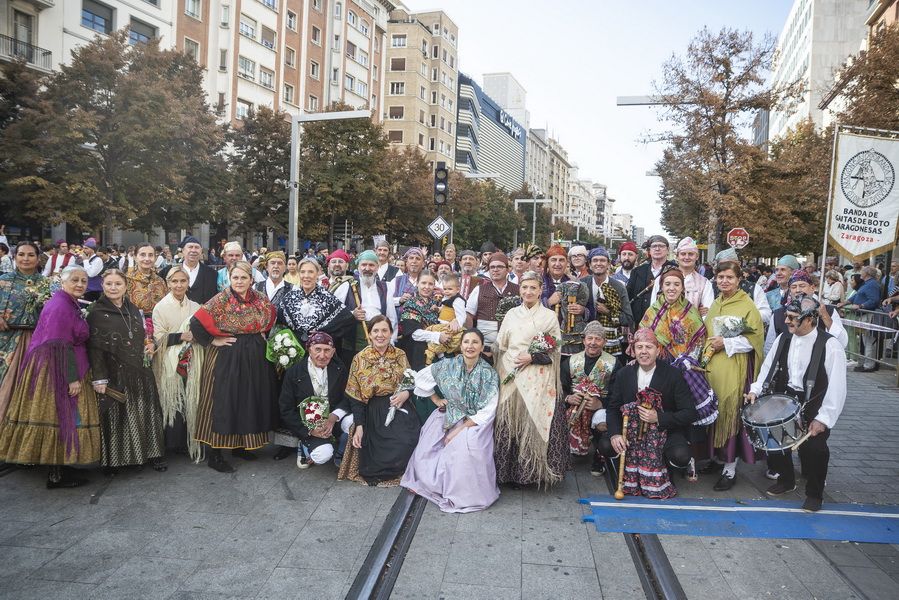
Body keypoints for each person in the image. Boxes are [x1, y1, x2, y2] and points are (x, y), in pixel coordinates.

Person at [0, 266, 101, 487]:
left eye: (84, 281)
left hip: (59, 363)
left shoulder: (66, 303)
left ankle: (60, 468)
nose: (80, 285)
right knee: (59, 414)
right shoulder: (60, 306)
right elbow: (60, 344)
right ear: (63, 282)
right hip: (58, 367)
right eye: (74, 280)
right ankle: (56, 474)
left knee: (59, 415)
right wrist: (71, 378)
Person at [746, 294, 846, 512]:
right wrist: (755, 390)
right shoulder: (784, 338)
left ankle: (814, 493)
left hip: (815, 402)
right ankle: (787, 480)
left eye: (792, 317)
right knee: (773, 438)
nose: (787, 321)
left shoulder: (830, 345)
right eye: (786, 316)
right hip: (785, 396)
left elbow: (838, 387)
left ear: (809, 319)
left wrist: (824, 418)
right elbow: (768, 367)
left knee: (815, 449)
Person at [190, 261, 278, 472]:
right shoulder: (220, 300)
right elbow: (196, 322)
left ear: (251, 279)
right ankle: (215, 454)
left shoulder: (261, 300)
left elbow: (271, 318)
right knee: (223, 400)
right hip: (228, 355)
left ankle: (242, 446)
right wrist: (213, 341)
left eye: (243, 278)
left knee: (248, 399)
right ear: (230, 278)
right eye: (235, 277)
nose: (239, 282)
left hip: (254, 356)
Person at [402, 329, 501, 512]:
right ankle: (434, 485)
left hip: (474, 421)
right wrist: (436, 400)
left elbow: (488, 410)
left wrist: (458, 430)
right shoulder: (448, 365)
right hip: (449, 413)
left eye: (475, 342)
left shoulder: (489, 374)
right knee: (428, 448)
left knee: (465, 448)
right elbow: (421, 379)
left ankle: (464, 495)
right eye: (466, 342)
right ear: (460, 345)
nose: (470, 346)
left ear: (481, 347)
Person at [599, 328, 699, 498]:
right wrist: (615, 434)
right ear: (633, 350)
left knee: (680, 455)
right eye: (639, 347)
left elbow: (689, 413)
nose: (644, 351)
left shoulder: (673, 375)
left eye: (649, 347)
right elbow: (613, 408)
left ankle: (665, 468)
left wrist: (658, 417)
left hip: (663, 431)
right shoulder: (624, 374)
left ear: (658, 350)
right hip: (629, 431)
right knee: (606, 445)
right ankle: (624, 470)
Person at [493, 270, 568, 487]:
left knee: (534, 422)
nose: (528, 291)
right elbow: (502, 345)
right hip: (511, 372)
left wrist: (533, 356)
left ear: (540, 290)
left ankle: (532, 474)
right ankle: (506, 475)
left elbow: (555, 350)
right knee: (509, 424)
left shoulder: (549, 316)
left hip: (538, 377)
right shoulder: (511, 314)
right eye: (524, 287)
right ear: (520, 290)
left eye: (533, 288)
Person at [88, 270, 166, 473]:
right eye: (109, 284)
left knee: (146, 411)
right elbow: (94, 348)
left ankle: (152, 454)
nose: (113, 288)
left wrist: (148, 344)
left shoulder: (132, 308)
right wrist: (99, 378)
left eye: (118, 284)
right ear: (103, 286)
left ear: (125, 286)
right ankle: (115, 461)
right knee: (116, 415)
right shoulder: (96, 312)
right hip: (114, 370)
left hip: (139, 368)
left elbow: (141, 334)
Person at [702, 261, 764, 490]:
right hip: (713, 368)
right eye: (720, 277)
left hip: (734, 367)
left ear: (739, 280)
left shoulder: (747, 305)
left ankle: (730, 468)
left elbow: (754, 340)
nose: (724, 281)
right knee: (714, 412)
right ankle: (716, 458)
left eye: (729, 277)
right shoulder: (716, 303)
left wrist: (726, 342)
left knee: (730, 413)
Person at [337, 315, 421, 486]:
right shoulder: (360, 358)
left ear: (391, 333)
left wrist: (406, 394)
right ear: (369, 334)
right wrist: (359, 426)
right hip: (373, 408)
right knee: (378, 450)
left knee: (408, 438)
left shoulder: (400, 354)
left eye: (384, 330)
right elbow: (356, 396)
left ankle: (403, 468)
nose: (380, 335)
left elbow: (410, 381)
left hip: (399, 404)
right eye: (375, 331)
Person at [152, 266, 204, 461]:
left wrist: (196, 337)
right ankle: (173, 442)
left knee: (192, 397)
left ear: (188, 283)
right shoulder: (161, 307)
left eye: (182, 281)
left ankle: (189, 439)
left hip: (193, 358)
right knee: (173, 398)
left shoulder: (196, 307)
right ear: (168, 283)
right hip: (170, 360)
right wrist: (182, 335)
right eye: (174, 281)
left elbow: (203, 330)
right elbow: (159, 337)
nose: (179, 285)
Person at [278, 331, 351, 468]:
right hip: (309, 424)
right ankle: (305, 446)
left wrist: (333, 416)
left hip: (333, 418)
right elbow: (286, 409)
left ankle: (341, 452)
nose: (322, 355)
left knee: (352, 422)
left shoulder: (339, 368)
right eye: (318, 349)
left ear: (333, 351)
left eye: (327, 350)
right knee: (322, 455)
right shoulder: (294, 372)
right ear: (309, 349)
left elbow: (348, 396)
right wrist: (308, 431)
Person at [0, 242, 50, 421]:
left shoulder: (48, 284)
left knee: (32, 385)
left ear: (38, 259)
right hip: (6, 340)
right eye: (21, 254)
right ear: (15, 257)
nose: (26, 259)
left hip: (37, 341)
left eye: (30, 255)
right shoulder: (3, 280)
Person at [561, 322, 617, 474]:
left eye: (598, 339)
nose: (593, 343)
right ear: (583, 340)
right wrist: (568, 398)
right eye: (590, 338)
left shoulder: (614, 363)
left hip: (602, 407)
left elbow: (618, 394)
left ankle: (599, 458)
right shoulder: (571, 361)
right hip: (574, 406)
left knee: (603, 423)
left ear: (604, 342)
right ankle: (562, 454)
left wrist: (600, 404)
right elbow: (560, 387)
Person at [765, 270, 848, 354]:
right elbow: (769, 347)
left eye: (802, 286)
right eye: (793, 287)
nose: (798, 290)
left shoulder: (828, 311)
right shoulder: (778, 314)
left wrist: (825, 316)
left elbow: (842, 342)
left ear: (812, 288)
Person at [279, 257, 355, 345]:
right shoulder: (289, 298)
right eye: (302, 272)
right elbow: (280, 324)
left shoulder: (327, 298)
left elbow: (347, 320)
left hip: (320, 353)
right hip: (294, 351)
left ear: (317, 273)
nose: (306, 276)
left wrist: (325, 335)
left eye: (310, 272)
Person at [581, 246, 633, 363]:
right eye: (595, 260)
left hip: (611, 346)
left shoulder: (618, 287)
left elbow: (628, 319)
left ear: (609, 264)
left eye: (602, 260)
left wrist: (608, 312)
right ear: (589, 264)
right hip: (586, 345)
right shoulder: (583, 284)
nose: (598, 263)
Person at [465, 252, 519, 353]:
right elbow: (468, 316)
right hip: (484, 346)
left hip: (511, 345)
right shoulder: (479, 289)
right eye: (492, 267)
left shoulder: (518, 289)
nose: (495, 269)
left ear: (507, 269)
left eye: (499, 266)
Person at [543, 245, 589, 357]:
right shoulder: (538, 282)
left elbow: (590, 309)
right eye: (553, 260)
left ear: (567, 263)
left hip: (568, 341)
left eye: (561, 260)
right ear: (547, 263)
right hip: (543, 336)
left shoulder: (576, 283)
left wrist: (582, 310)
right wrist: (548, 302)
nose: (557, 264)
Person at [839, 266, 882, 372]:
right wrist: (846, 302)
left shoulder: (872, 284)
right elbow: (857, 296)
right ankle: (868, 363)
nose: (860, 272)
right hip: (864, 315)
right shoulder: (867, 284)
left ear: (866, 273)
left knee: (869, 341)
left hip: (868, 315)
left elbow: (874, 300)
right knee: (865, 340)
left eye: (862, 271)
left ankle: (869, 365)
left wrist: (861, 306)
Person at [675, 237, 713, 316]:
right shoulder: (663, 279)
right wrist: (695, 313)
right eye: (683, 254)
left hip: (695, 327)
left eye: (691, 254)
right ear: (677, 256)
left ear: (697, 257)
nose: (687, 257)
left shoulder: (705, 283)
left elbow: (706, 313)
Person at [126, 243, 166, 316]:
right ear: (135, 257)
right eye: (142, 255)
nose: (147, 259)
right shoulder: (126, 280)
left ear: (155, 258)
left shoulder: (160, 281)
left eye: (150, 255)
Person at [391, 248, 426, 318]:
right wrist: (399, 300)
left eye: (418, 259)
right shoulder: (396, 281)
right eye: (411, 258)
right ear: (406, 263)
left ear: (423, 264)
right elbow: (386, 301)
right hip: (399, 324)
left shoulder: (430, 281)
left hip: (423, 324)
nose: (414, 261)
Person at [80, 238, 104, 302]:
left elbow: (91, 274)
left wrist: (85, 260)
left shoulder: (97, 260)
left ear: (92, 249)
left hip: (95, 290)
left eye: (86, 248)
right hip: (86, 289)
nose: (84, 250)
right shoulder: (86, 259)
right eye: (84, 248)